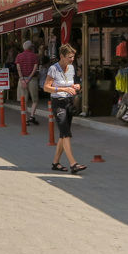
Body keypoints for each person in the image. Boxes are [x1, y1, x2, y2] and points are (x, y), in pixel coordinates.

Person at [44, 43, 86, 174]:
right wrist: (63, 89)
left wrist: (76, 86)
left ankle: (55, 163)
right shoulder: (53, 69)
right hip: (58, 102)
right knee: (66, 132)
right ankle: (73, 163)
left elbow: (72, 83)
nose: (72, 59)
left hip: (69, 102)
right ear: (62, 56)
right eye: (69, 57)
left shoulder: (72, 68)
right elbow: (46, 87)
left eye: (73, 57)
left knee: (63, 135)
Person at [16, 40, 42, 125]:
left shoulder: (19, 56)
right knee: (35, 100)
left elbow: (18, 68)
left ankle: (26, 119)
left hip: (22, 80)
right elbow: (35, 69)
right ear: (31, 47)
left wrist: (22, 79)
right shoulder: (35, 56)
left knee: (24, 100)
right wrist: (29, 78)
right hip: (32, 80)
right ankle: (32, 116)